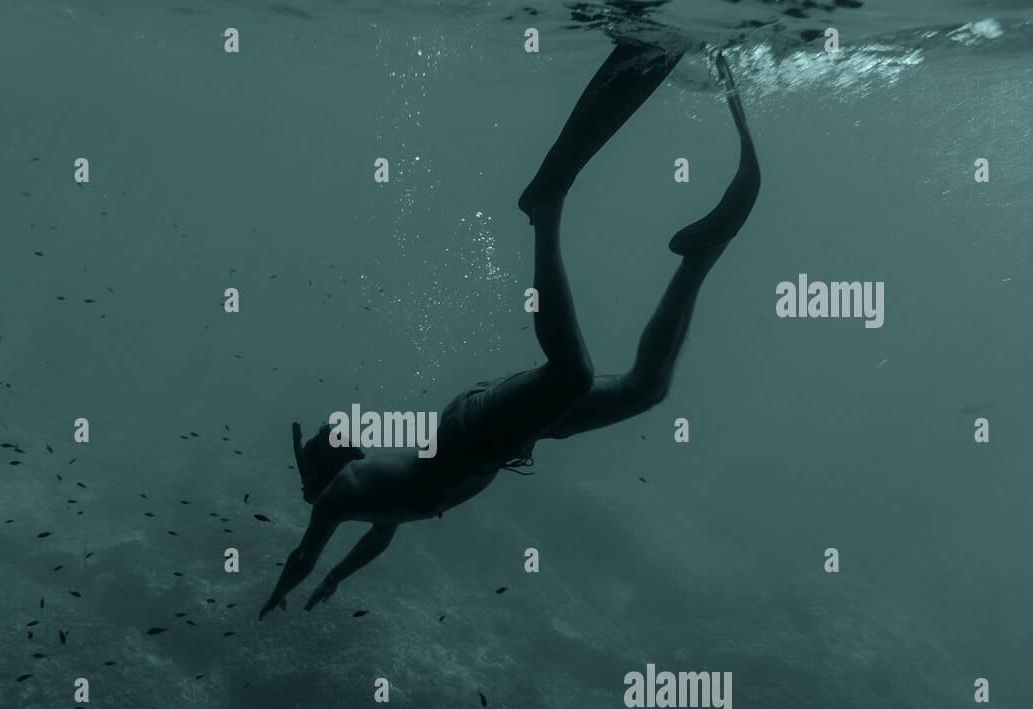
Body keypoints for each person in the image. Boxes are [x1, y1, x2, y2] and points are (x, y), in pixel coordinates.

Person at [259, 46, 761, 620]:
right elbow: (379, 536)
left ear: (324, 473)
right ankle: (698, 257)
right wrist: (338, 581)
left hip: (477, 430)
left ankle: (545, 210)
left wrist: (282, 592)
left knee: (571, 374)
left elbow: (303, 553)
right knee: (646, 389)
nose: (306, 497)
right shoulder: (369, 501)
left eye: (308, 484)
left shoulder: (344, 492)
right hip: (504, 441)